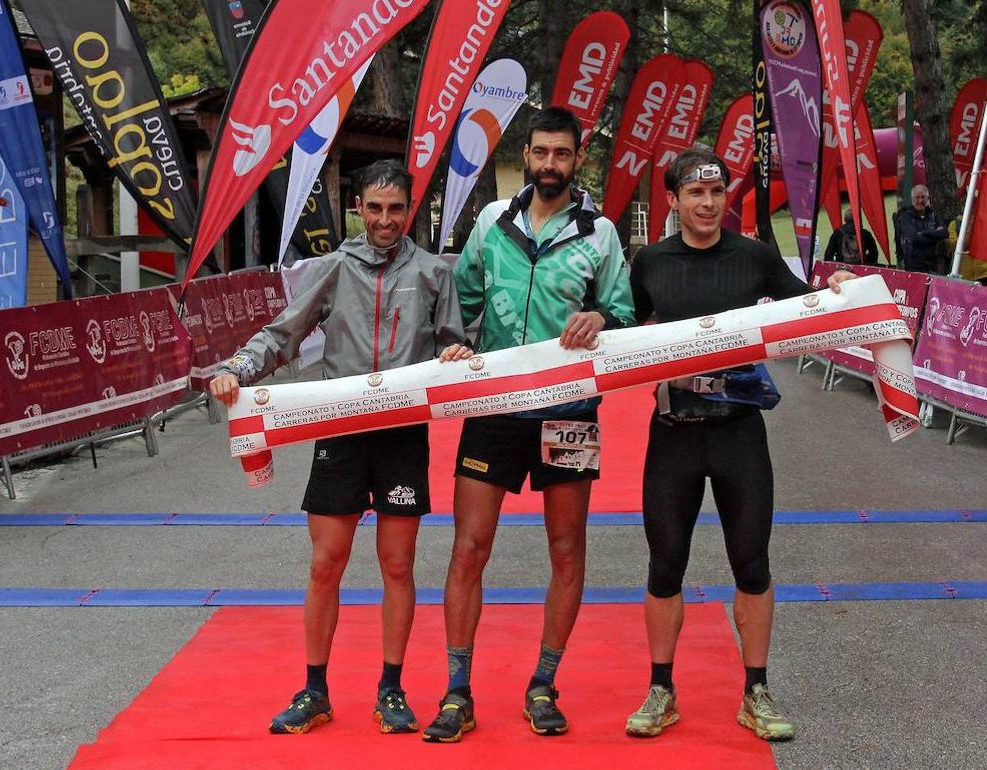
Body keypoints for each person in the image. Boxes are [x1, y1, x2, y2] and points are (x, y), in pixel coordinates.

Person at [210, 160, 465, 736]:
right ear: (358, 208)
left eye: (395, 209)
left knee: (397, 565)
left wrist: (456, 352)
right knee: (326, 564)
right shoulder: (332, 268)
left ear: (409, 210)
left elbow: (454, 343)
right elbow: (281, 334)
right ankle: (314, 690)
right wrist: (236, 369)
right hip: (340, 432)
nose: (385, 220)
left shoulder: (432, 273)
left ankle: (391, 689)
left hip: (403, 434)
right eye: (374, 208)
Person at [623, 149, 855, 742]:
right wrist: (593, 321)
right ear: (673, 200)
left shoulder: (753, 256)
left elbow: (806, 303)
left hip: (738, 433)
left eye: (716, 193)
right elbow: (622, 325)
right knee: (664, 564)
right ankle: (660, 689)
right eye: (695, 194)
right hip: (674, 433)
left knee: (752, 562)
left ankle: (756, 691)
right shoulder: (651, 261)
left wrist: (834, 287)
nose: (707, 204)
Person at [421, 107, 636, 742]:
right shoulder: (493, 221)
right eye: (540, 153)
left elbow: (624, 312)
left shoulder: (601, 234)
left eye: (561, 154)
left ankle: (544, 683)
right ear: (527, 154)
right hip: (493, 411)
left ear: (579, 157)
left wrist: (602, 318)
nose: (549, 164)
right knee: (469, 548)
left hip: (569, 414)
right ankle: (457, 690)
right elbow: (459, 302)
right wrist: (455, 342)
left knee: (567, 550)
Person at [893, 184, 949, 273]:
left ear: (927, 199)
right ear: (912, 199)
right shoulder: (905, 217)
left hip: (932, 265)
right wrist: (935, 235)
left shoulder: (933, 215)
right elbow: (913, 238)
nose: (920, 201)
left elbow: (945, 233)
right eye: (917, 197)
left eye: (923, 197)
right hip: (912, 266)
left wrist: (924, 233)